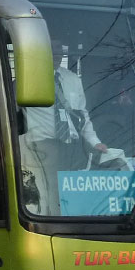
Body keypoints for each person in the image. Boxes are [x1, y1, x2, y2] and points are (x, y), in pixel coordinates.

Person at [22, 40, 112, 213]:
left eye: (59, 50)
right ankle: (53, 224)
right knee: (50, 192)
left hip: (72, 146)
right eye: (52, 50)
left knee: (71, 190)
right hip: (43, 145)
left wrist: (95, 142)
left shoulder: (72, 79)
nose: (56, 55)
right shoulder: (28, 78)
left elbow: (82, 114)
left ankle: (70, 224)